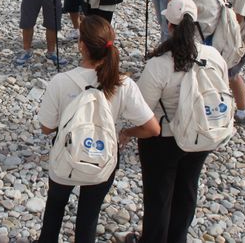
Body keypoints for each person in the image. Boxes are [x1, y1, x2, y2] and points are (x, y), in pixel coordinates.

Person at [38, 15, 160, 242]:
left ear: (81, 45)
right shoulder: (123, 84)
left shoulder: (61, 81)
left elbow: (47, 128)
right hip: (102, 156)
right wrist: (127, 133)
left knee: (55, 206)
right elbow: (153, 128)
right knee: (89, 215)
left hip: (65, 155)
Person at [122, 0, 228, 243]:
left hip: (165, 138)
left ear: (168, 25)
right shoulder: (212, 55)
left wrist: (127, 133)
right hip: (202, 133)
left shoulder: (159, 65)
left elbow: (142, 111)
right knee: (187, 188)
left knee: (159, 196)